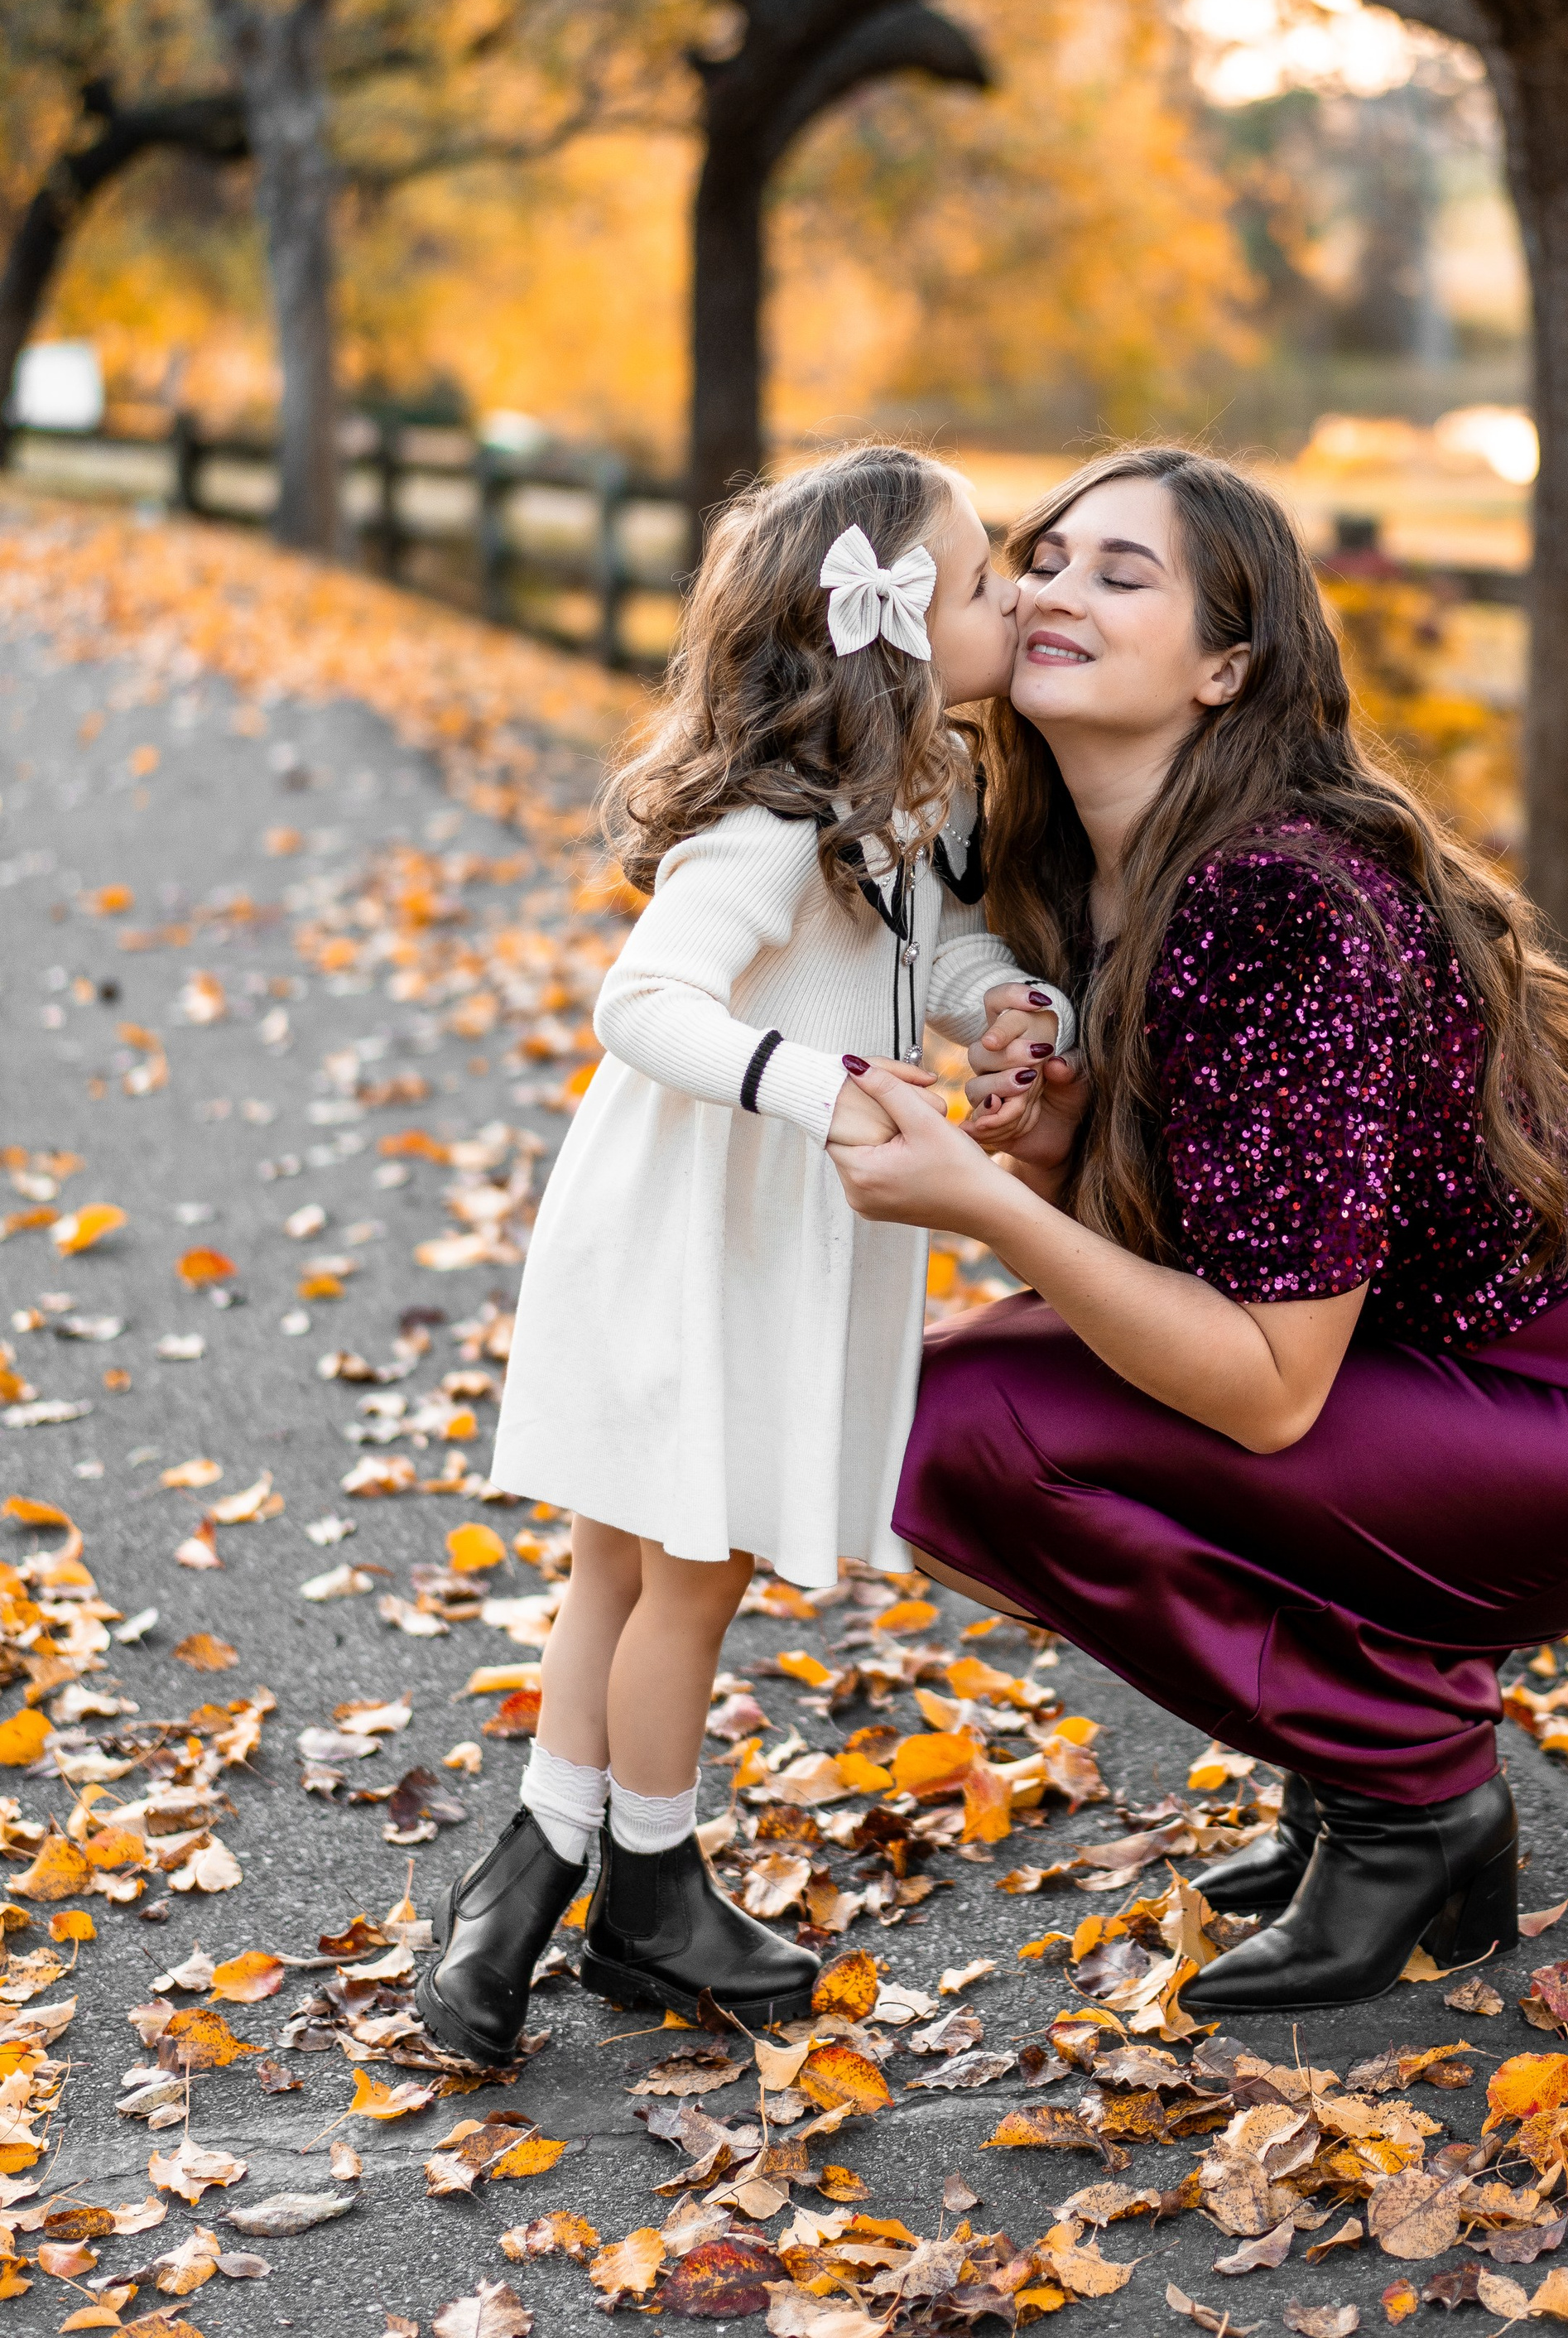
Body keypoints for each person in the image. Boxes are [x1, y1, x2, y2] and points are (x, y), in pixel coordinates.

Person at [830, 446, 1568, 2015]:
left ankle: (1408, 1794)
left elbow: (1265, 1386)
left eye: (1126, 575)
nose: (1055, 590)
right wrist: (1050, 1154)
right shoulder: (1085, 875)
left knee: (961, 1426)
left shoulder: (1276, 899)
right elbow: (1238, 1238)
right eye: (1041, 561)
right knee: (965, 1389)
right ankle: (1356, 1773)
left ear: (1227, 664)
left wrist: (984, 1201)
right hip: (1444, 1360)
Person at [416, 445, 1071, 2065]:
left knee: (631, 1572)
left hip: (761, 1224)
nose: (1012, 603)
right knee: (672, 1579)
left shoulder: (921, 796)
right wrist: (820, 1084)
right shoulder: (778, 823)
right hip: (699, 1227)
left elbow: (930, 939)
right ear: (897, 631)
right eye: (985, 581)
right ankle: (631, 1881)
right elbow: (640, 1003)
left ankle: (539, 1878)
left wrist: (1000, 999)